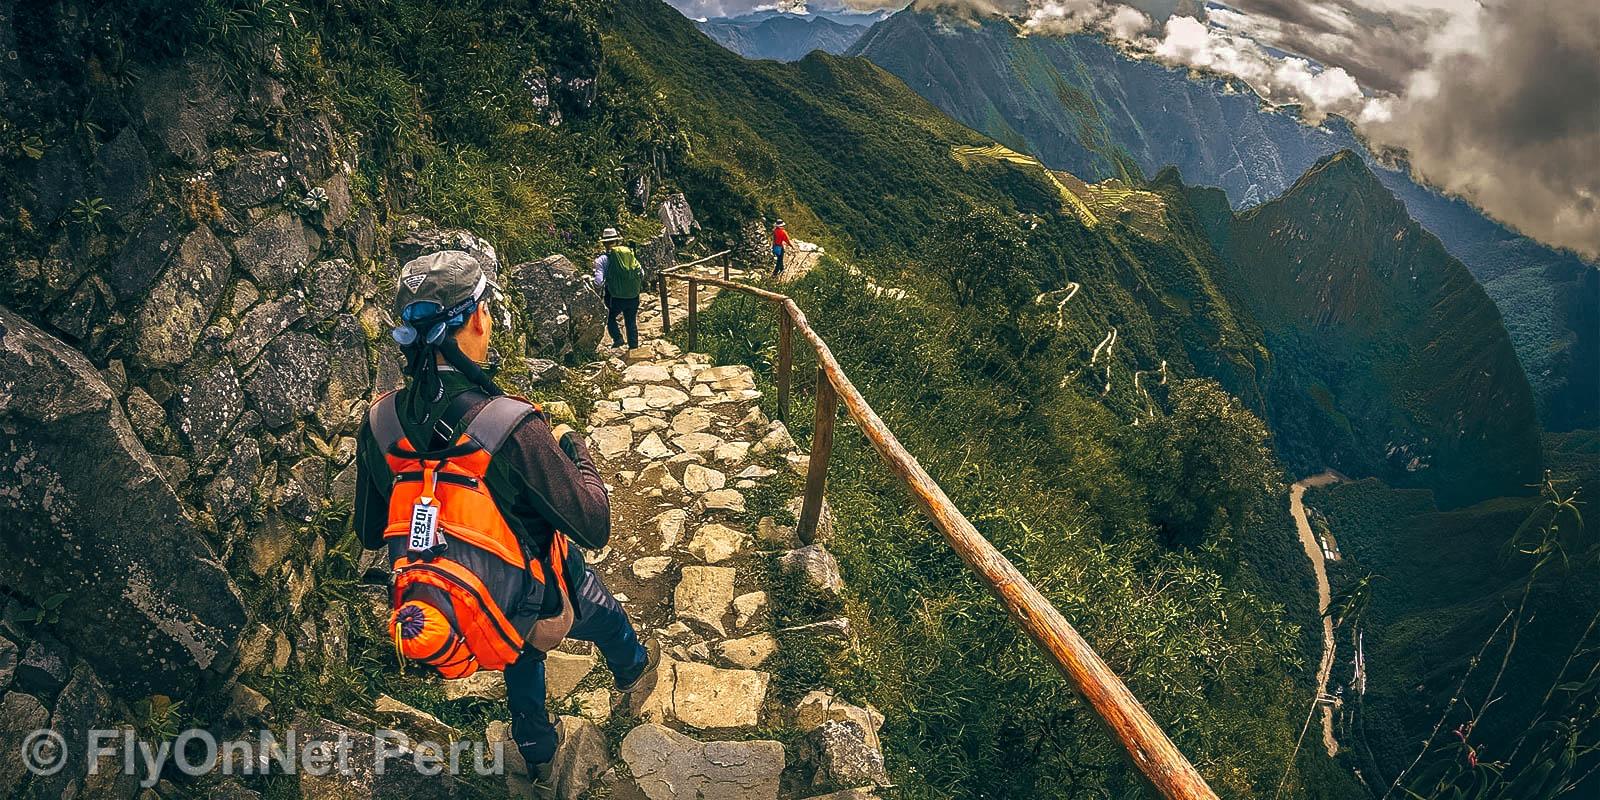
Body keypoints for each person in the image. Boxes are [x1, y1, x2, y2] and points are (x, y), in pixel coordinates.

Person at [354, 250, 655, 780]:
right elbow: (594, 524)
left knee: (518, 653)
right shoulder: (509, 426)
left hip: (470, 596)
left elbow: (369, 530)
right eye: (487, 308)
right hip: (537, 586)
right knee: (602, 613)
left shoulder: (380, 423)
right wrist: (576, 447)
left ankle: (538, 754)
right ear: (476, 317)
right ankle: (634, 672)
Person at [592, 228, 643, 351]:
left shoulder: (602, 260)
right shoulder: (628, 254)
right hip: (633, 295)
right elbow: (641, 273)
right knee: (631, 321)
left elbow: (598, 282)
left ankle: (618, 339)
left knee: (609, 317)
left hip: (615, 298)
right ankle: (634, 348)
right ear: (617, 241)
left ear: (604, 243)